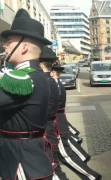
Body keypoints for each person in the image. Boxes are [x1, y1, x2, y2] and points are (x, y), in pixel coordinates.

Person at [0, 9, 53, 179]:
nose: (4, 45)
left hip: (20, 163)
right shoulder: (36, 75)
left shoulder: (25, 78)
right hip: (25, 159)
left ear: (23, 47)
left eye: (8, 41)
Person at [51, 63, 102, 180]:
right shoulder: (55, 83)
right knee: (67, 150)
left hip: (57, 123)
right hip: (59, 121)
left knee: (66, 155)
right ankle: (84, 160)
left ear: (54, 72)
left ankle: (91, 176)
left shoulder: (55, 85)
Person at [40, 46, 69, 179]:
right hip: (51, 124)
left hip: (49, 127)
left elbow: (51, 108)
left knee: (54, 166)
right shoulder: (51, 81)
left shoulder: (49, 82)